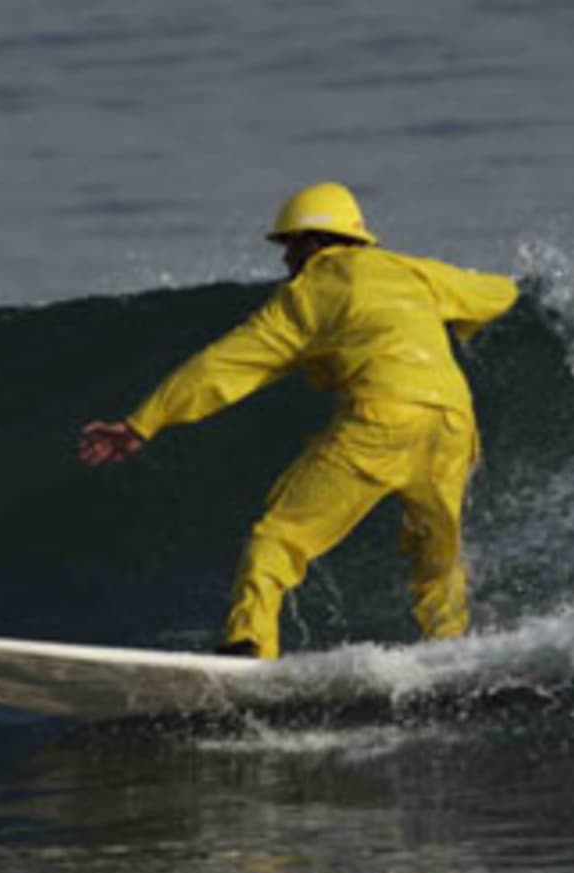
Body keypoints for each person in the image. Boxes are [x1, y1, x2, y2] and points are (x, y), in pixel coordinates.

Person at [79, 182, 519, 659]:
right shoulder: (409, 270)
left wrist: (143, 422)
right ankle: (452, 654)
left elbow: (225, 365)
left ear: (313, 242)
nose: (286, 260)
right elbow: (498, 292)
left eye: (290, 245)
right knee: (437, 562)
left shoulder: (311, 292)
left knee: (277, 538)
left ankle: (248, 645)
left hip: (383, 418)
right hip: (453, 422)